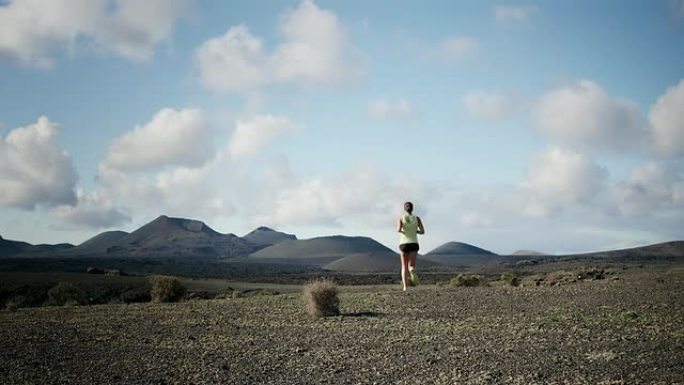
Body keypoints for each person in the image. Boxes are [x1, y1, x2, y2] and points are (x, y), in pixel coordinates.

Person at [397, 201, 425, 291]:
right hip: (414, 243)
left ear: (405, 209)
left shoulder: (401, 218)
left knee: (404, 266)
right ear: (412, 209)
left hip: (404, 244)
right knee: (411, 265)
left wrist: (404, 231)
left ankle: (405, 287)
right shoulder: (417, 218)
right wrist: (415, 231)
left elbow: (398, 229)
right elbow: (422, 231)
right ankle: (412, 270)